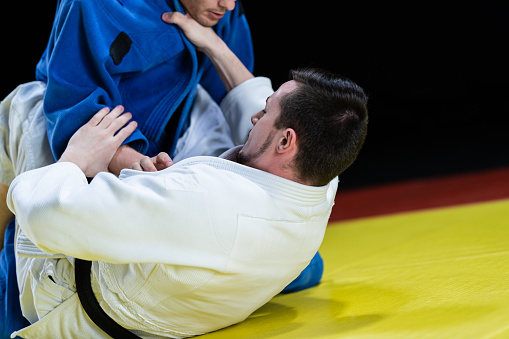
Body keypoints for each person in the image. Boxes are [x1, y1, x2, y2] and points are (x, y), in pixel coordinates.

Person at [4, 13, 368, 338]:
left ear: (286, 140)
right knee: (198, 104)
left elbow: (44, 213)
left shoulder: (207, 203)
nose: (256, 116)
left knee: (30, 104)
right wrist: (212, 44)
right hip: (180, 278)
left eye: (267, 112)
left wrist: (75, 158)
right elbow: (254, 102)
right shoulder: (320, 180)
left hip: (69, 295)